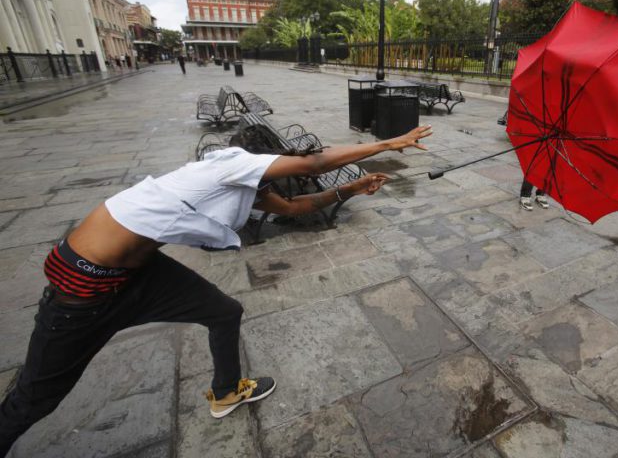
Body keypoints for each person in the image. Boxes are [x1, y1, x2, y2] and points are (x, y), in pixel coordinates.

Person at [0, 124, 433, 456]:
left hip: (140, 273)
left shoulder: (247, 184)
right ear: (266, 156)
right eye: (284, 159)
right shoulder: (231, 165)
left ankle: (226, 391)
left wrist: (354, 187)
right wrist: (388, 144)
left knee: (223, 311)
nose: (290, 165)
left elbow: (295, 207)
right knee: (34, 399)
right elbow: (314, 164)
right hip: (84, 286)